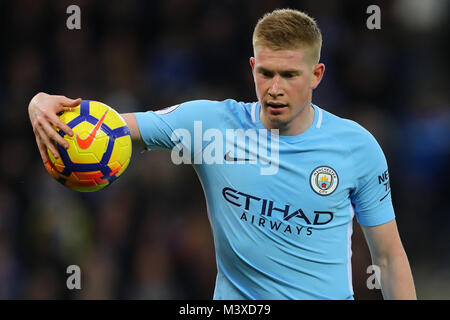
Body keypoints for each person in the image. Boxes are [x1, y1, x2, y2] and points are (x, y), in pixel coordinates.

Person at [28, 9, 416, 299]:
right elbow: (105, 127)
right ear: (252, 67)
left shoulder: (357, 146)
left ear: (316, 75)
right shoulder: (209, 124)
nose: (274, 88)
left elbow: (388, 258)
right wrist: (40, 102)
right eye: (266, 73)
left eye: (290, 75)